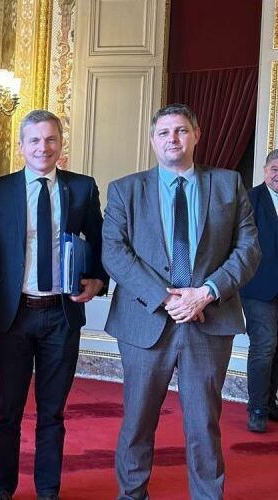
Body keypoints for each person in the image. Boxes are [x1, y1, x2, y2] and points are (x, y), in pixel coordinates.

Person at [102, 103, 261, 499]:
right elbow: (114, 252)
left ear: (197, 135)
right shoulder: (126, 189)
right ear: (153, 140)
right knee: (137, 420)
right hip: (145, 321)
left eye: (181, 131)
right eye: (164, 132)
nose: (173, 139)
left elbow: (249, 248)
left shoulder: (228, 184)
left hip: (209, 318)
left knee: (204, 423)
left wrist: (205, 293)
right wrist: (163, 297)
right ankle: (132, 494)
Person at [0, 110, 107, 500]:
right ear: (21, 147)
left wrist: (98, 280)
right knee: (8, 411)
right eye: (34, 141)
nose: (43, 147)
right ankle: (2, 487)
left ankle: (48, 490)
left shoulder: (82, 188)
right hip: (14, 314)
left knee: (52, 412)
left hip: (61, 314)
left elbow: (101, 243)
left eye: (50, 139)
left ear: (60, 144)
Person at [239, 149, 278, 433]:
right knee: (264, 346)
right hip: (257, 288)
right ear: (265, 170)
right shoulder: (249, 200)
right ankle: (257, 408)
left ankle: (271, 404)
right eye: (275, 168)